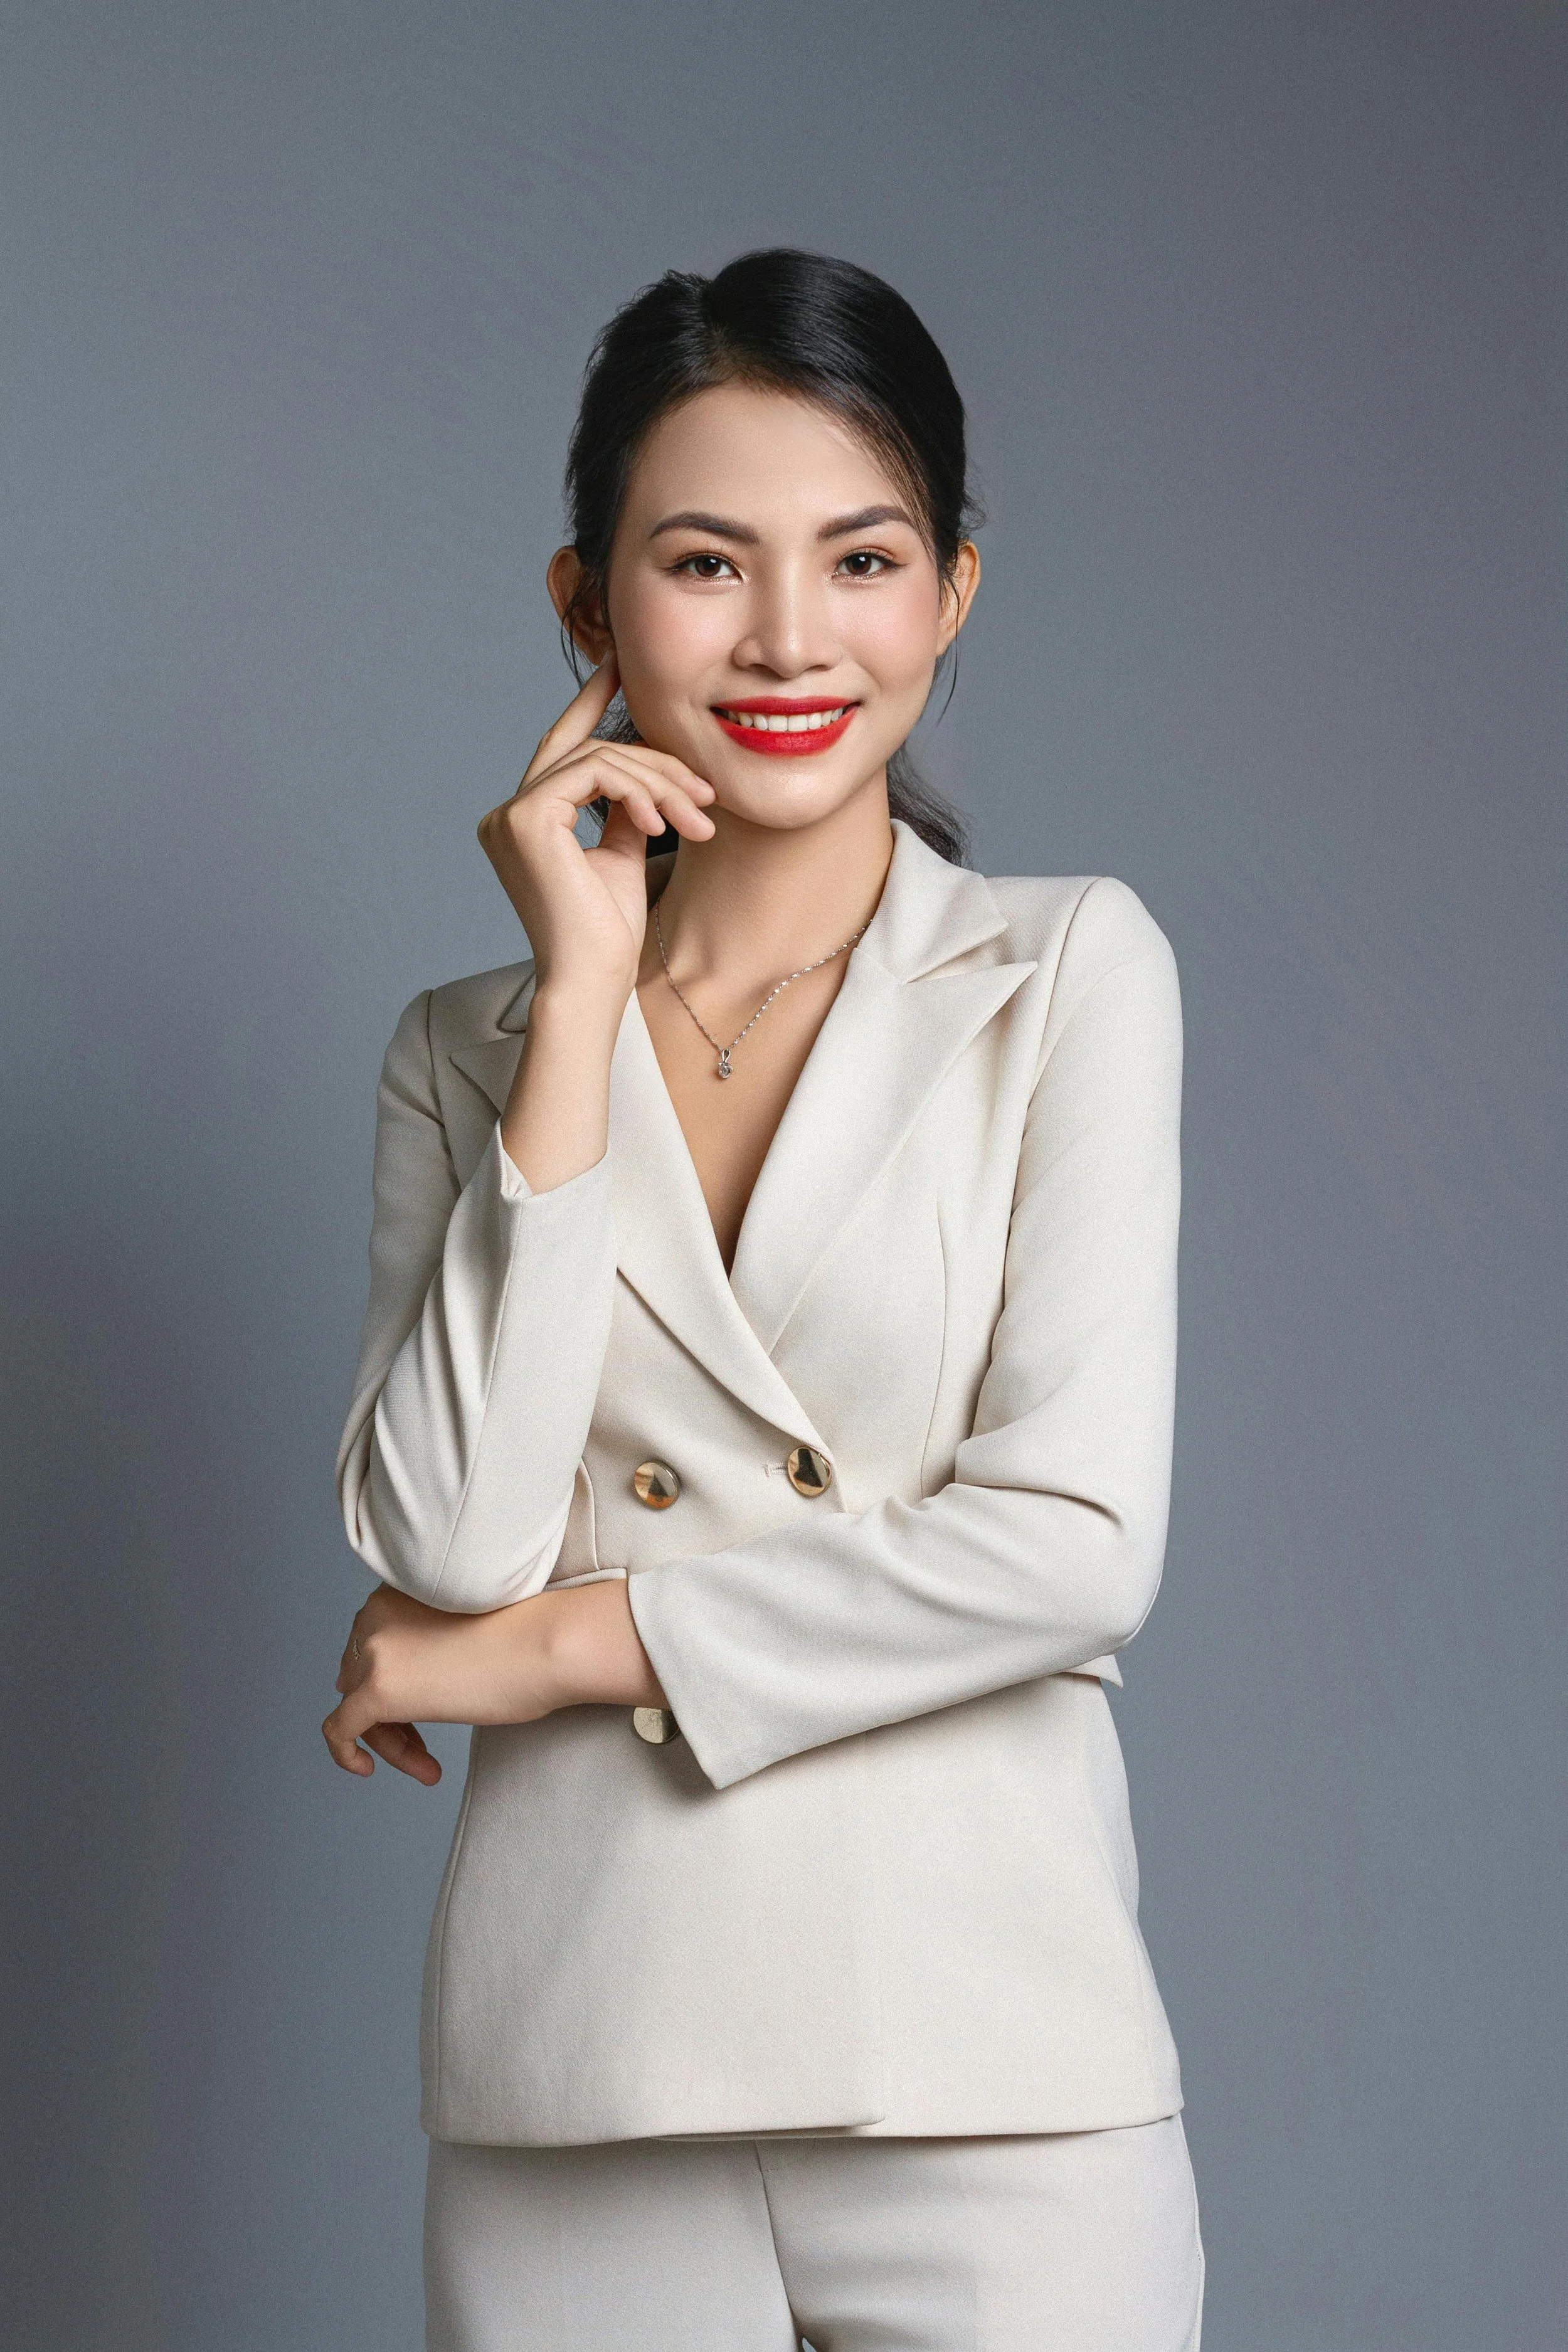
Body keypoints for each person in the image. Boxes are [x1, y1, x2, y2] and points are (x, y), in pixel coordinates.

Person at [322, 248, 1204, 2352]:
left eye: (864, 557)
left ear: (954, 592)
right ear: (588, 607)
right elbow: (441, 1531)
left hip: (986, 2054)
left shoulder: (1064, 973)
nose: (792, 638)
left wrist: (545, 1647)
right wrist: (580, 1007)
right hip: (586, 2053)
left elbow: (1071, 1549)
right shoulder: (468, 1044)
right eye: (706, 563)